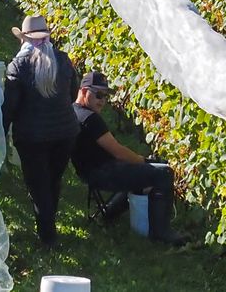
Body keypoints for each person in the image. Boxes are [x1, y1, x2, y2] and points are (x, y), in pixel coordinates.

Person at [71, 71, 187, 245]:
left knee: (135, 170)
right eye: (99, 95)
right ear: (84, 91)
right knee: (163, 173)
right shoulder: (90, 118)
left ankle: (109, 213)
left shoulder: (73, 111)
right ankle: (161, 232)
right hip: (103, 173)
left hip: (88, 172)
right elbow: (117, 150)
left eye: (105, 96)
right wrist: (146, 161)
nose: (102, 100)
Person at [2, 15, 80, 247]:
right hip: (66, 133)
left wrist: (0, 132)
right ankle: (50, 228)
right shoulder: (63, 60)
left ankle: (48, 238)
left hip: (33, 137)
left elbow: (11, 107)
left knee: (38, 186)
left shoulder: (18, 65)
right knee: (53, 180)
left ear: (24, 38)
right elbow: (73, 95)